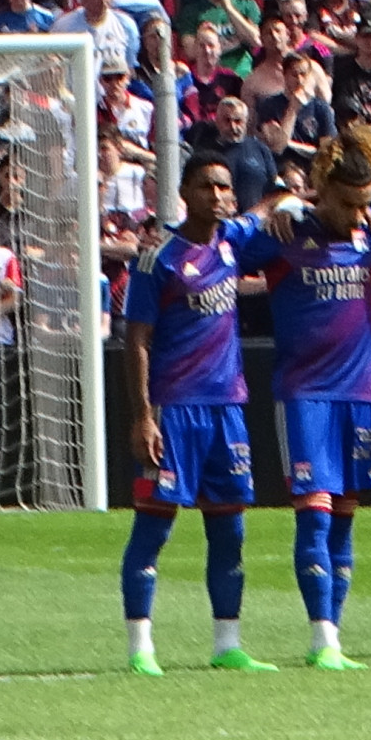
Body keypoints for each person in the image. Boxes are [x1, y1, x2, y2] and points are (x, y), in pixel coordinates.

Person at [119, 156, 263, 676]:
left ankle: (227, 644)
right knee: (154, 528)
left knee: (229, 531)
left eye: (224, 186)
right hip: (174, 409)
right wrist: (143, 416)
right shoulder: (158, 259)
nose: (217, 194)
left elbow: (270, 210)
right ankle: (141, 648)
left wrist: (296, 200)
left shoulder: (233, 240)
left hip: (228, 409)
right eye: (206, 186)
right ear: (184, 192)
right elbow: (136, 340)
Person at [264, 125, 371, 670]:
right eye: (349, 204)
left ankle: (334, 636)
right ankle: (321, 638)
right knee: (314, 517)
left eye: (366, 204)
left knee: (344, 518)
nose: (359, 215)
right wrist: (282, 201)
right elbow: (228, 233)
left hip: (358, 394)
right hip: (305, 396)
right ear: (322, 192)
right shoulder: (286, 234)